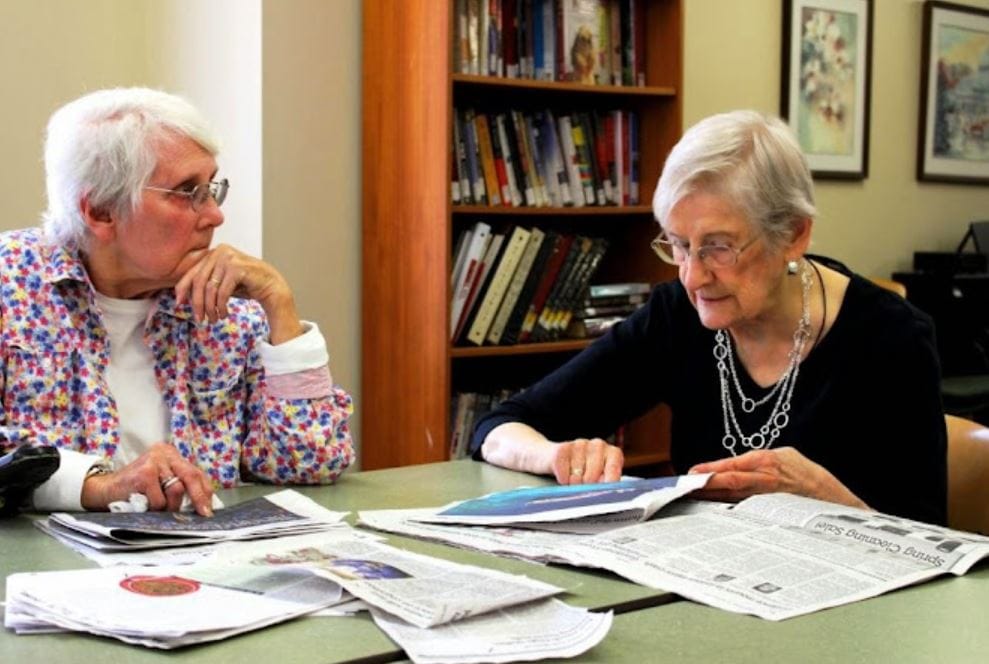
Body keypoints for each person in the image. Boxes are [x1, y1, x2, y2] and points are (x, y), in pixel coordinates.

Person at [471, 110, 947, 525]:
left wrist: (825, 497)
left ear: (793, 235)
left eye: (718, 247)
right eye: (679, 245)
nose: (692, 276)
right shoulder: (676, 315)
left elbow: (933, 542)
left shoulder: (891, 339)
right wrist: (557, 455)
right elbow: (499, 427)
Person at [0, 87, 354, 516]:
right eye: (188, 192)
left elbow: (312, 462)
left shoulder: (228, 306)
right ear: (101, 212)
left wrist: (279, 304)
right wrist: (97, 486)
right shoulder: (11, 285)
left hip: (209, 550)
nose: (215, 215)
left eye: (212, 188)